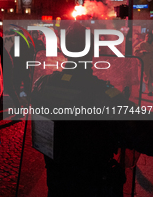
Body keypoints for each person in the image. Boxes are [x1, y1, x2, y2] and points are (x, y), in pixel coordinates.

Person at [31, 23, 153, 197]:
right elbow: (145, 133)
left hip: (58, 185)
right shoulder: (104, 95)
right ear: (92, 52)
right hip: (94, 187)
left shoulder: (42, 85)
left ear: (64, 51)